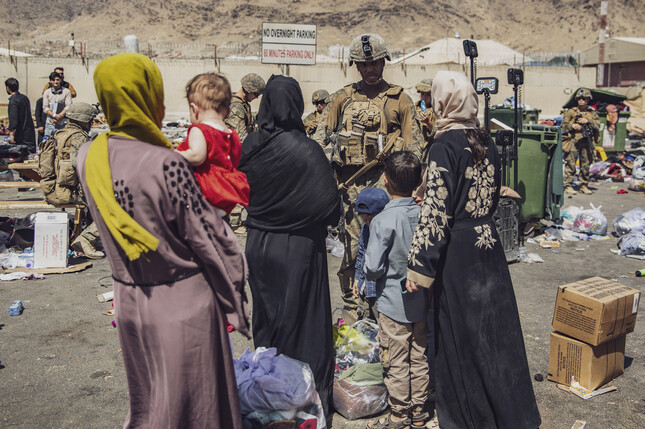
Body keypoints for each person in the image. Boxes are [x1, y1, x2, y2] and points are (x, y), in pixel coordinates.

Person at [76, 53, 249, 428]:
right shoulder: (164, 162)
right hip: (182, 304)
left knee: (150, 403)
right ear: (149, 96)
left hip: (129, 301)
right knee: (197, 409)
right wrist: (236, 294)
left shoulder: (88, 156)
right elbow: (210, 239)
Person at [405, 71, 541, 429]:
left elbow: (436, 211)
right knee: (495, 334)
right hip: (489, 243)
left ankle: (470, 418)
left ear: (442, 101)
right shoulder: (486, 140)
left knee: (460, 337)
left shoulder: (443, 146)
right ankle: (512, 414)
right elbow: (491, 193)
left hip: (459, 252)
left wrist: (419, 267)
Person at [238, 75, 341, 425]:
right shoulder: (307, 149)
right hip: (300, 248)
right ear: (297, 105)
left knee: (268, 317)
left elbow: (241, 193)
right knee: (304, 317)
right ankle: (306, 397)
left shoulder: (249, 146)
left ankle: (268, 396)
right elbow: (331, 208)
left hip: (260, 245)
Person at [314, 33, 424, 323]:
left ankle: (384, 309)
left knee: (390, 251)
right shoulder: (341, 98)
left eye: (375, 62)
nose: (370, 68)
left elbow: (416, 148)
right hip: (351, 191)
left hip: (391, 192)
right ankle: (352, 308)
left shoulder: (400, 100)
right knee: (351, 252)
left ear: (383, 61)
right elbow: (319, 141)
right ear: (356, 66)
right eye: (364, 64)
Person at [364, 151, 429, 429]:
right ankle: (419, 412)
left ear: (386, 182)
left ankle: (399, 415)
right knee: (420, 355)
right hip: (422, 302)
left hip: (392, 304)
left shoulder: (382, 220)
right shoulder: (425, 213)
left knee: (396, 360)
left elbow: (373, 267)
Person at [176, 73, 249, 216]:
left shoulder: (200, 130)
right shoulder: (231, 134)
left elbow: (197, 156)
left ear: (194, 109)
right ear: (228, 112)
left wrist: (174, 154)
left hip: (204, 193)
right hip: (225, 195)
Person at [37, 102, 104, 258]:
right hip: (66, 193)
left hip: (52, 189)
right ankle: (86, 239)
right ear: (82, 120)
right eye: (90, 120)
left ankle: (92, 237)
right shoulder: (78, 137)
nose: (91, 123)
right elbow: (82, 166)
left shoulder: (60, 134)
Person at [352, 187, 389, 318]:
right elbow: (361, 251)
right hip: (366, 288)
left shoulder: (388, 230)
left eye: (370, 218)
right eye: (364, 219)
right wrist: (357, 278)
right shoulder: (366, 228)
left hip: (382, 292)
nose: (367, 223)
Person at [562, 88, 600, 195]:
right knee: (571, 164)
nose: (581, 100)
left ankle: (584, 185)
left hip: (586, 141)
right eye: (579, 98)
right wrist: (573, 125)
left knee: (586, 164)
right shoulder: (571, 112)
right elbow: (563, 126)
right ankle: (568, 185)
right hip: (574, 141)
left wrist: (587, 121)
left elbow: (598, 125)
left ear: (588, 100)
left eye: (583, 99)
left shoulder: (592, 113)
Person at [225, 73, 265, 143]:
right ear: (247, 90)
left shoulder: (243, 104)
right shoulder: (237, 107)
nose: (256, 97)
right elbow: (241, 138)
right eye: (256, 94)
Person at [5, 77, 36, 153]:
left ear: (8, 88)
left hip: (21, 137)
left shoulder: (13, 101)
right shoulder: (24, 98)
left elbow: (14, 119)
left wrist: (11, 134)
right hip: (29, 134)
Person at [42, 72, 72, 138]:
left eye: (57, 80)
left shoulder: (66, 91)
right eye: (53, 80)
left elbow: (68, 106)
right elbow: (45, 108)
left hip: (63, 123)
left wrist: (59, 116)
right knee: (47, 144)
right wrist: (54, 115)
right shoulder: (47, 92)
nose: (56, 82)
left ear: (60, 80)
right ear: (50, 81)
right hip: (50, 123)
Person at [415, 78, 437, 161]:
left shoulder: (437, 110)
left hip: (430, 151)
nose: (424, 97)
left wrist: (428, 123)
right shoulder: (414, 108)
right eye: (422, 94)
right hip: (416, 150)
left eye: (428, 95)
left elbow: (438, 132)